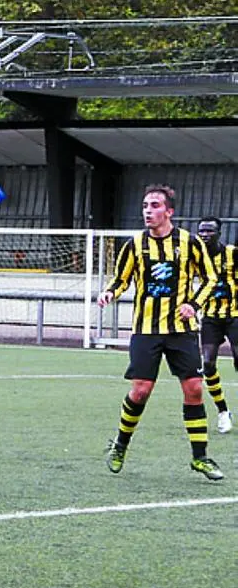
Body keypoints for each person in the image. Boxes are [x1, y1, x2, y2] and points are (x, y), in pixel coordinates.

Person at [98, 187, 222, 480]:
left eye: (154, 205)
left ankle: (200, 457)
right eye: (145, 205)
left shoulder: (189, 243)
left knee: (193, 389)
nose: (148, 211)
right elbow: (121, 279)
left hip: (181, 330)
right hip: (146, 330)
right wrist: (109, 293)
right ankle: (120, 445)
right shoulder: (135, 244)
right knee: (141, 391)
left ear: (169, 212)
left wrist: (193, 304)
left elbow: (209, 277)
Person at [196, 217, 235, 434]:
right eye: (201, 231)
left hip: (235, 315)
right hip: (211, 316)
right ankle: (223, 411)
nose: (205, 234)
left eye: (210, 231)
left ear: (219, 233)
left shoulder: (232, 254)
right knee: (208, 363)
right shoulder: (196, 257)